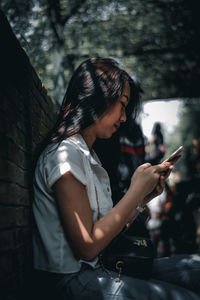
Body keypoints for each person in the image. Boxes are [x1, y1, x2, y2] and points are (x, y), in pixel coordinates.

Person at [32, 57, 200, 300]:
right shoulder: (64, 155)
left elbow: (104, 231)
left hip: (103, 269)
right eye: (122, 105)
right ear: (98, 99)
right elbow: (88, 245)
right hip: (73, 282)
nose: (123, 118)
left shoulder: (87, 156)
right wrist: (134, 192)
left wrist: (142, 199)